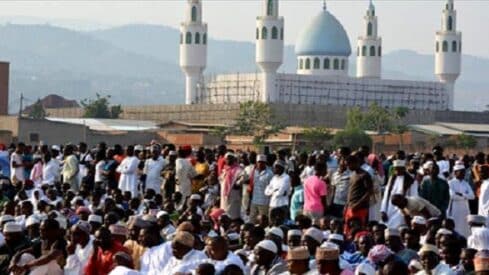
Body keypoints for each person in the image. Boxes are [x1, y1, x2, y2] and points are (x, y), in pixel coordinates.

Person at [381, 159, 418, 229]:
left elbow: (414, 196)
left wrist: (411, 212)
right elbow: (386, 195)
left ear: (403, 169)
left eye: (398, 169)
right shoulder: (392, 178)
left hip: (403, 208)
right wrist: (383, 210)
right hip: (390, 208)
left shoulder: (410, 180)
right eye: (395, 169)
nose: (396, 171)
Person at [344, 154, 373, 235]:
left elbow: (369, 192)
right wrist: (347, 206)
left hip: (360, 208)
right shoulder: (353, 174)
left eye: (348, 165)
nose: (347, 167)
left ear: (355, 163)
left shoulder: (364, 175)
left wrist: (357, 204)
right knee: (348, 231)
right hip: (350, 207)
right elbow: (351, 191)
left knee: (358, 231)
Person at [447, 161, 475, 237]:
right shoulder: (450, 183)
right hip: (455, 210)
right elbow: (452, 196)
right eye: (461, 172)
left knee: (465, 229)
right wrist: (465, 196)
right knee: (455, 227)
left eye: (464, 172)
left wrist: (461, 194)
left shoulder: (466, 183)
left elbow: (472, 196)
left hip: (465, 210)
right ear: (455, 173)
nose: (463, 174)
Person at [249, 154, 273, 223]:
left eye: (262, 162)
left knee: (263, 222)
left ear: (265, 163)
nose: (260, 164)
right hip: (254, 201)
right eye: (259, 162)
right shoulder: (254, 171)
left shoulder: (269, 174)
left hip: (264, 202)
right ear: (256, 162)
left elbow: (271, 188)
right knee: (252, 221)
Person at [220, 153, 243, 219]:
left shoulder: (238, 169)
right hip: (224, 196)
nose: (228, 160)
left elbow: (244, 177)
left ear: (233, 159)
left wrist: (238, 183)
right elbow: (221, 180)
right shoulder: (225, 170)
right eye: (227, 159)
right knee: (224, 215)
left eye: (230, 158)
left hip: (233, 195)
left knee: (233, 216)